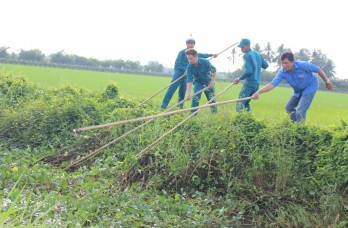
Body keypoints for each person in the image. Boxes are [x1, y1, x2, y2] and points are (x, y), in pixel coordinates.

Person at [251, 51, 334, 122]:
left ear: (292, 62)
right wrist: (258, 92)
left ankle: (300, 130)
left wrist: (327, 81)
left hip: (310, 86)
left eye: (286, 63)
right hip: (298, 91)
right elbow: (272, 84)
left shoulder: (303, 65)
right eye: (282, 63)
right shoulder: (282, 72)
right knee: (289, 107)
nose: (284, 65)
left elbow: (318, 69)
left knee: (300, 110)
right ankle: (295, 126)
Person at [160, 37, 217, 109]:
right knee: (172, 89)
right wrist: (185, 70)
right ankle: (163, 106)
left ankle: (180, 107)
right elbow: (177, 64)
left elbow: (202, 55)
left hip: (188, 74)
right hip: (179, 73)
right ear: (186, 44)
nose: (190, 45)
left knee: (182, 91)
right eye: (189, 43)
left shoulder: (194, 53)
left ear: (194, 44)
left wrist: (212, 55)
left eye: (192, 43)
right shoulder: (182, 52)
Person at [233, 38, 269, 113]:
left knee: (240, 102)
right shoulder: (257, 54)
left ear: (248, 46)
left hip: (250, 83)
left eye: (242, 47)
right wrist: (258, 63)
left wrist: (239, 78)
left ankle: (237, 121)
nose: (241, 49)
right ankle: (249, 119)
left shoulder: (246, 55)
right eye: (240, 47)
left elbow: (249, 71)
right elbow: (266, 66)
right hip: (256, 84)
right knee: (246, 103)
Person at [185, 48, 217, 113]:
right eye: (188, 59)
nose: (189, 60)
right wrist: (188, 93)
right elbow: (189, 80)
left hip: (208, 82)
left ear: (196, 57)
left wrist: (212, 81)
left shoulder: (205, 62)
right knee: (195, 99)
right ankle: (193, 115)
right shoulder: (189, 67)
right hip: (198, 83)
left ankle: (215, 114)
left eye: (191, 58)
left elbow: (214, 70)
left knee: (212, 99)